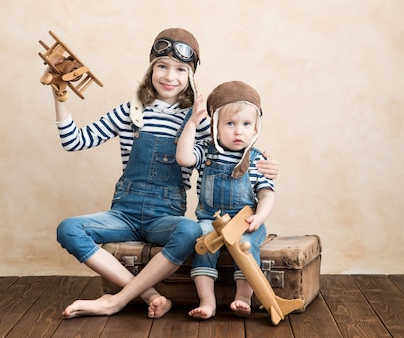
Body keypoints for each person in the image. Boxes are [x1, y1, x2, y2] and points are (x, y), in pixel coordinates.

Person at [48, 29, 279, 319]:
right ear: (150, 68)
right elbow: (74, 141)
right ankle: (145, 294)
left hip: (164, 216)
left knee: (191, 231)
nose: (170, 76)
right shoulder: (129, 111)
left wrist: (264, 162)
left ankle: (115, 300)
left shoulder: (198, 120)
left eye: (180, 69)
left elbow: (230, 150)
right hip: (123, 213)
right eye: (162, 66)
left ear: (190, 75)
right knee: (68, 229)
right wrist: (59, 96)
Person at [176, 80, 275, 320]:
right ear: (215, 127)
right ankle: (207, 300)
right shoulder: (207, 151)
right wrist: (192, 124)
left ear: (255, 129)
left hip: (245, 221)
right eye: (230, 124)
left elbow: (266, 194)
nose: (238, 131)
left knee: (247, 246)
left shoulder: (257, 159)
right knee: (203, 242)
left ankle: (243, 297)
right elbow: (184, 158)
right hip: (211, 219)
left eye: (246, 124)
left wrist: (259, 217)